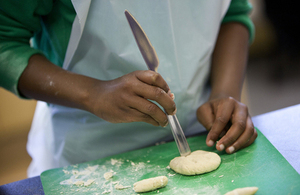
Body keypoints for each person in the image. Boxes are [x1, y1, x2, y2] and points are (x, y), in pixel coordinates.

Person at [0, 0, 257, 177]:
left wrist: (225, 91)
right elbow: (5, 41)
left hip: (200, 132)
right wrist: (93, 93)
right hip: (90, 152)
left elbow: (231, 12)